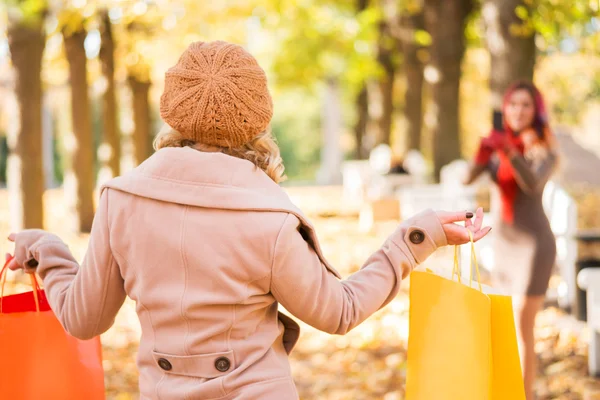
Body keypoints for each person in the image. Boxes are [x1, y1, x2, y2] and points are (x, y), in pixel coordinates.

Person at [6, 40, 490, 400]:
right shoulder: (269, 217)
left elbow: (84, 318)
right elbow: (339, 311)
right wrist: (413, 240)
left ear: (172, 110)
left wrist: (45, 249)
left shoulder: (120, 201)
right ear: (257, 118)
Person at [464, 80, 558, 399]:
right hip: (503, 246)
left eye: (526, 105)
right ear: (504, 109)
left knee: (521, 326)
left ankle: (524, 395)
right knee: (501, 323)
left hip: (533, 248)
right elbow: (467, 177)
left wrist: (508, 149)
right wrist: (484, 150)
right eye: (513, 104)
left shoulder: (543, 149)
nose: (518, 110)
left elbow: (531, 184)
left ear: (536, 111)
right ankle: (505, 392)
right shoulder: (498, 145)